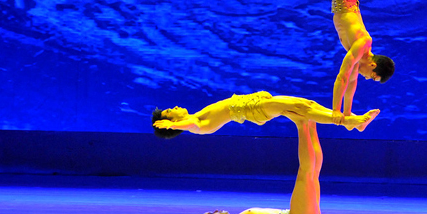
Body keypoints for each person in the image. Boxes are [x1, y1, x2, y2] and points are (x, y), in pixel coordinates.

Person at [196, 115, 329, 214]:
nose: (216, 210)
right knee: (306, 174)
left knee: (312, 174)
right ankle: (302, 124)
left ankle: (311, 124)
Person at [151, 91, 380, 138]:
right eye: (171, 111)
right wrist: (172, 127)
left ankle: (351, 123)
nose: (175, 107)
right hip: (253, 110)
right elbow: (190, 125)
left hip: (254, 104)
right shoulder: (195, 122)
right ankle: (350, 121)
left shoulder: (198, 115)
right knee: (301, 108)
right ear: (172, 120)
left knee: (304, 104)